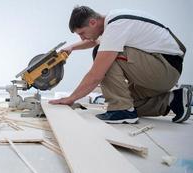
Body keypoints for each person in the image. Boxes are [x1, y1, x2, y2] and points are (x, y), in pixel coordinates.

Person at [49, 6, 192, 123]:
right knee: (128, 101)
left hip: (164, 69)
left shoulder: (117, 25)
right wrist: (71, 47)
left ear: (92, 22)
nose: (82, 37)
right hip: (163, 71)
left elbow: (96, 75)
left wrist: (71, 98)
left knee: (103, 55)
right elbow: (93, 40)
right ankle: (174, 100)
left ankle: (122, 111)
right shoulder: (114, 22)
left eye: (82, 33)